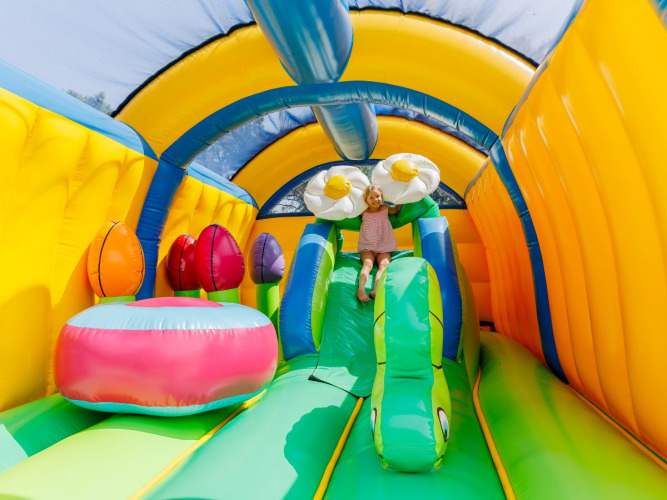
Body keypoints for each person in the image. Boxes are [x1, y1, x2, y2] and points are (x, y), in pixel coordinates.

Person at [357, 185, 402, 302]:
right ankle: (361, 289)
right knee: (367, 263)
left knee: (384, 264)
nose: (375, 199)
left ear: (382, 197)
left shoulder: (385, 208)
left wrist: (402, 197)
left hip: (384, 246)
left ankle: (376, 289)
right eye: (371, 197)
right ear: (366, 200)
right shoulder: (363, 212)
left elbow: (396, 209)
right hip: (367, 246)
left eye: (377, 196)